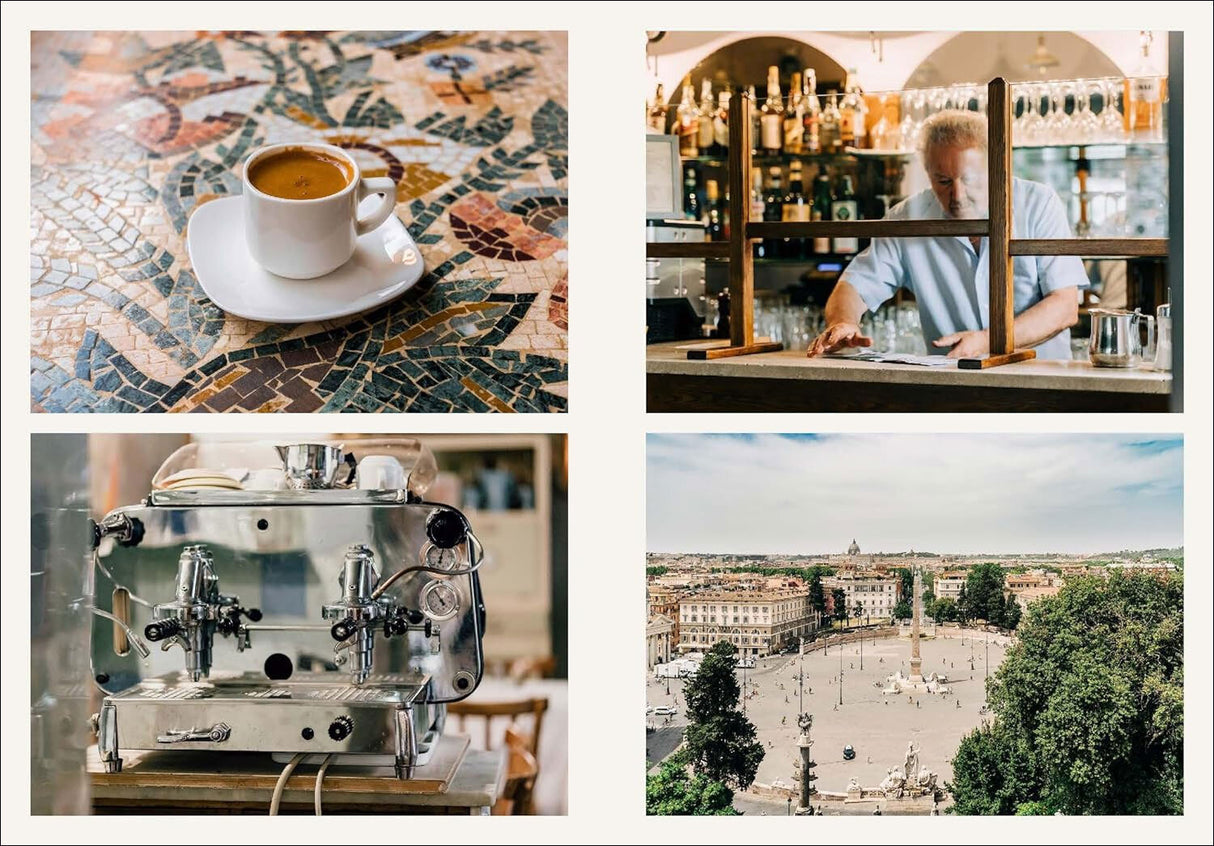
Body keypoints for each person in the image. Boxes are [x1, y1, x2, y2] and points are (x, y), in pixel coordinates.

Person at [806, 110, 1087, 360]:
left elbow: (1064, 305)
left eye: (969, 179)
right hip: (954, 386)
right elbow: (854, 286)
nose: (957, 195)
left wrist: (986, 341)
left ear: (996, 168)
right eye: (943, 181)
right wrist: (843, 322)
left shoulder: (1037, 203)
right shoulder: (907, 217)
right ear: (928, 173)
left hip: (1040, 382)